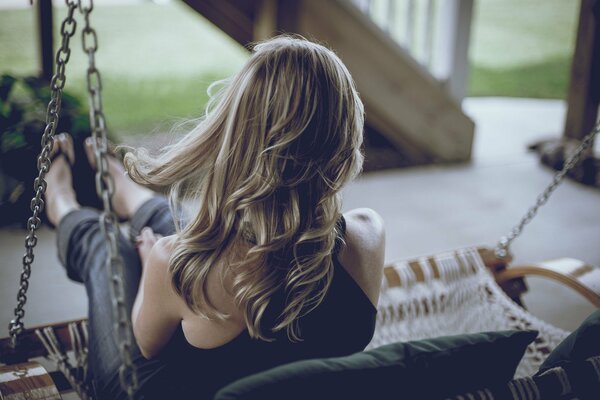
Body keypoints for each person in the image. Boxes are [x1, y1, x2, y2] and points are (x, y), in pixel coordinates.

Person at [45, 35, 386, 399]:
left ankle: (61, 202)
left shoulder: (172, 264)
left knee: (107, 245)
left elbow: (145, 347)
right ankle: (131, 195)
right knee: (189, 236)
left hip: (154, 387)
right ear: (345, 135)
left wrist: (152, 268)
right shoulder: (368, 234)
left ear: (236, 134)